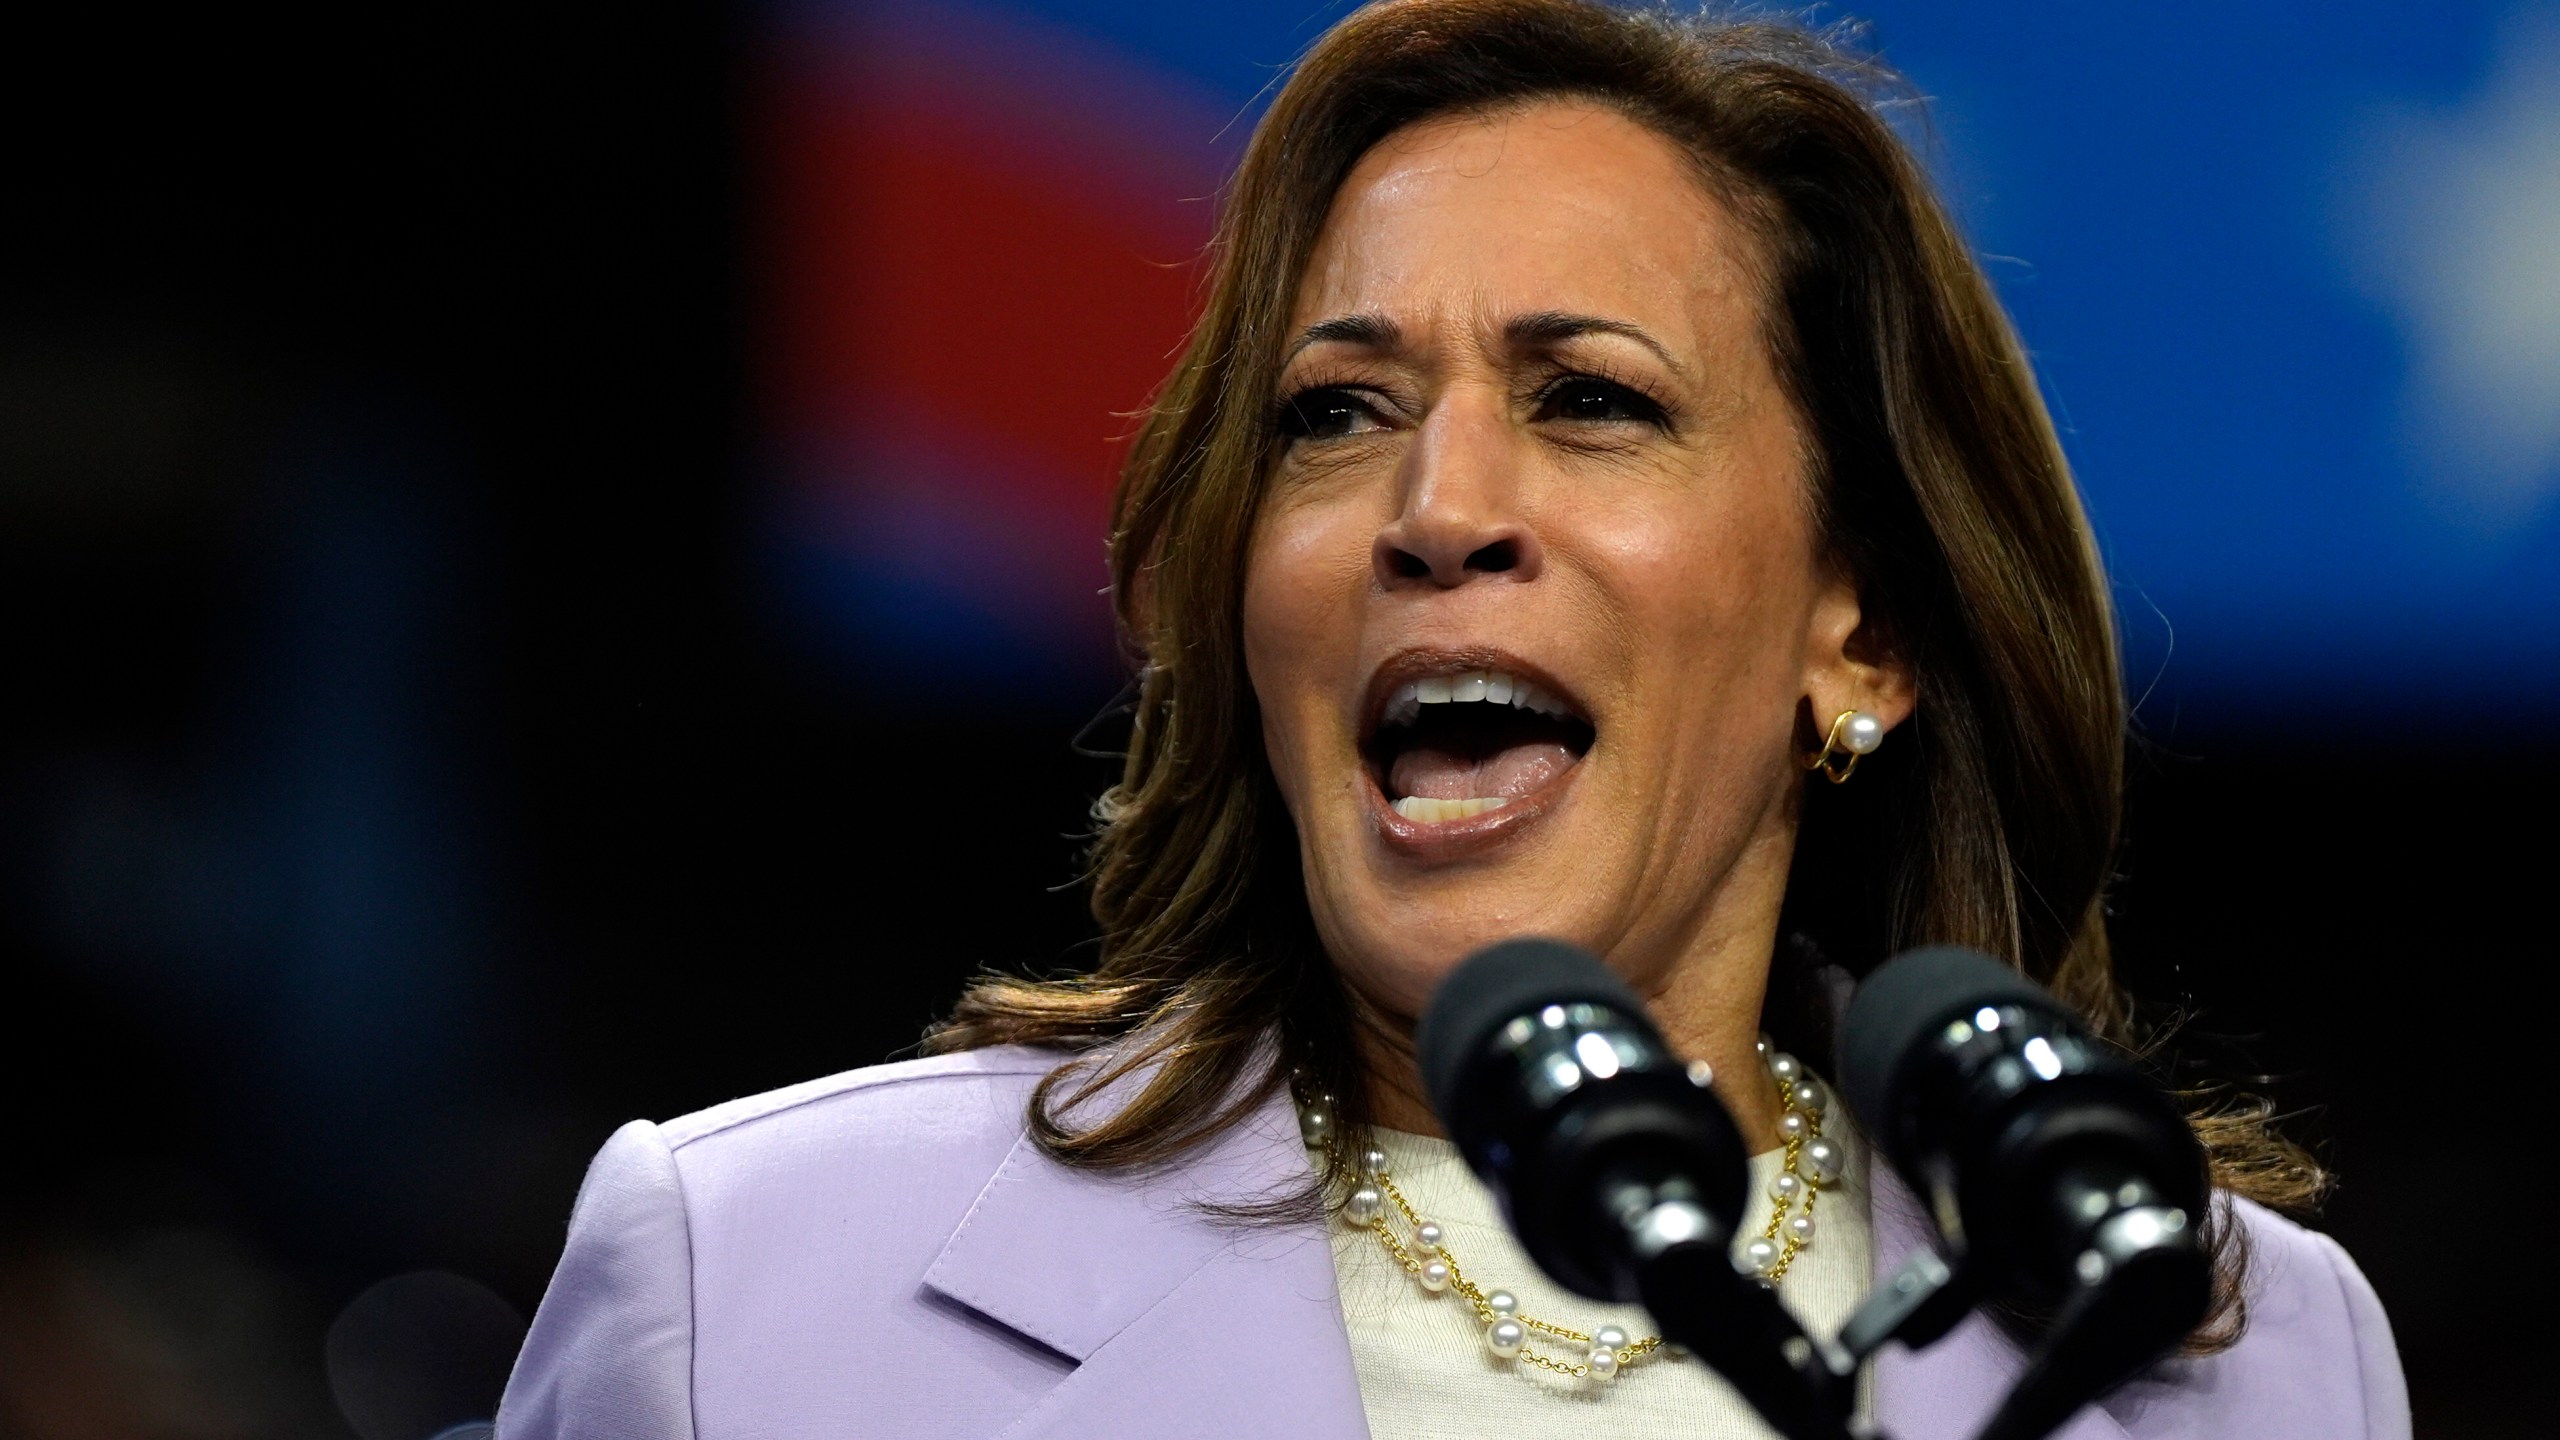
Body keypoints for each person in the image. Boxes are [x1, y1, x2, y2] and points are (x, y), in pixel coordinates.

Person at [496, 3, 2407, 1437]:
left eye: (1590, 399)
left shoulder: (2233, 1357)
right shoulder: (748, 1287)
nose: (1435, 510)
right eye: (1334, 414)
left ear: (1869, 631)